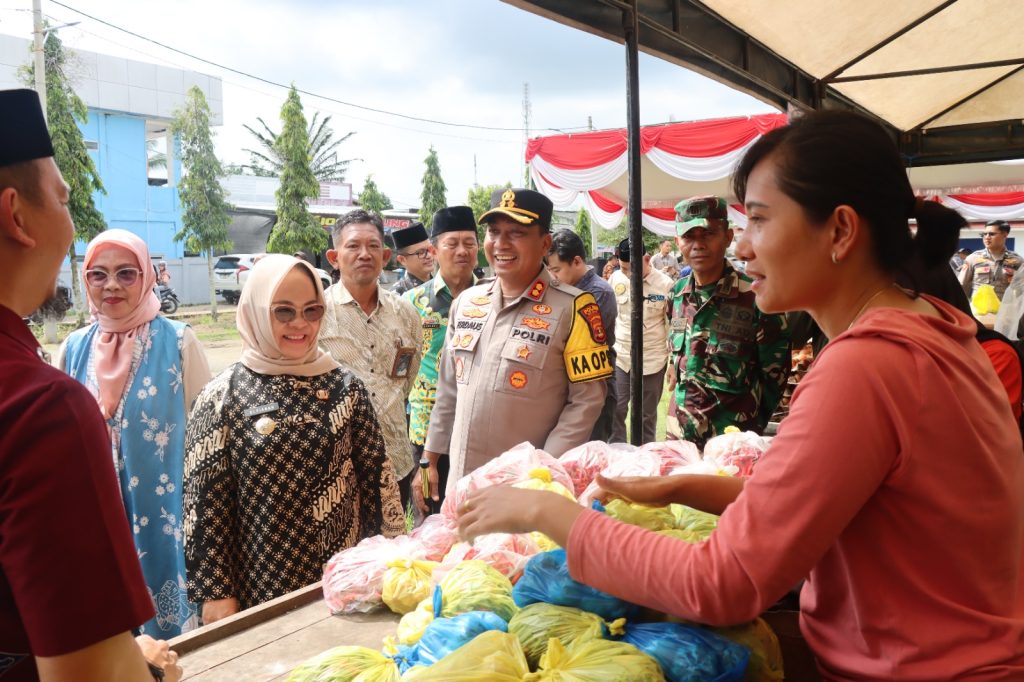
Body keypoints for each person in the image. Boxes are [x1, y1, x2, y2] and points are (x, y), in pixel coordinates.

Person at [457, 110, 1024, 680]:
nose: (743, 248)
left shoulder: (868, 364)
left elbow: (722, 584)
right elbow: (837, 498)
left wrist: (547, 512)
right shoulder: (938, 327)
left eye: (757, 220)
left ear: (840, 231)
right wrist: (682, 487)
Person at [0, 89, 180, 682]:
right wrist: (142, 665)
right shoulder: (39, 405)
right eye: (62, 199)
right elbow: (91, 673)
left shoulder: (178, 342)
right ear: (16, 216)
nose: (70, 224)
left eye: (126, 272)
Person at [184, 255, 404, 624]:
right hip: (260, 589)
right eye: (283, 311)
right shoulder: (222, 396)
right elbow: (205, 507)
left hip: (345, 586)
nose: (300, 323)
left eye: (312, 310)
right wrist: (216, 595)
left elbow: (378, 484)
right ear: (256, 312)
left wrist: (390, 561)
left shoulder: (346, 387)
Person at [416, 188, 612, 510]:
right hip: (461, 486)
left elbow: (586, 401)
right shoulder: (466, 303)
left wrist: (544, 472)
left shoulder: (575, 307)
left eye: (517, 233)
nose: (501, 244)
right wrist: (430, 458)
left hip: (523, 493)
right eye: (494, 232)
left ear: (545, 244)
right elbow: (448, 391)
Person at [59, 229, 211, 638]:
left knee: (173, 646)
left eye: (126, 273)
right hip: (95, 518)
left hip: (165, 520)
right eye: (98, 274)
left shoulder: (179, 341)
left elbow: (208, 440)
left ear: (147, 277)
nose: (111, 285)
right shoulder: (73, 348)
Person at [319, 210, 422, 508]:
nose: (364, 254)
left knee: (393, 538)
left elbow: (406, 379)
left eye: (373, 246)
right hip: (335, 465)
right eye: (353, 246)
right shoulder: (316, 313)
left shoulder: (406, 313)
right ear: (334, 257)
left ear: (386, 256)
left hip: (396, 459)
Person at [667, 196, 790, 447]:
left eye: (708, 233)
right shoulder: (676, 295)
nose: (698, 245)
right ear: (678, 241)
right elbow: (678, 357)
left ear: (728, 236)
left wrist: (750, 430)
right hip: (679, 439)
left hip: (731, 443)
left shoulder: (756, 297)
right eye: (689, 237)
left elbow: (775, 377)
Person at [404, 206, 480, 512]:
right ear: (434, 251)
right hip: (426, 429)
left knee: (475, 515)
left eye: (469, 243)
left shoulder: (492, 298)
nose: (462, 251)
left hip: (477, 427)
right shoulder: (411, 303)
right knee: (429, 513)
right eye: (452, 244)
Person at [545, 229, 617, 441]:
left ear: (576, 261)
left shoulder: (598, 293)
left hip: (593, 390)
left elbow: (571, 339)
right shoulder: (563, 290)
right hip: (563, 389)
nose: (552, 277)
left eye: (556, 270)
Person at [607, 238, 673, 444]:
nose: (628, 274)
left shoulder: (665, 285)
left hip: (652, 360)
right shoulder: (616, 278)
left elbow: (673, 327)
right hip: (622, 357)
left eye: (631, 269)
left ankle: (645, 455)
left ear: (646, 259)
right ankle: (617, 452)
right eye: (624, 268)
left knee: (646, 415)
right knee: (616, 409)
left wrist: (672, 362)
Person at [959, 219, 1022, 301]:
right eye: (984, 234)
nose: (987, 237)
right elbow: (962, 286)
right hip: (979, 308)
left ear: (1005, 235)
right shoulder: (973, 258)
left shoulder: (1017, 261)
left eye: (992, 234)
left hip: (1006, 307)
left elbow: (1021, 290)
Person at [391, 222, 435, 295]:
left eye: (430, 249)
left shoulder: (443, 286)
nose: (429, 255)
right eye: (421, 252)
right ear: (402, 260)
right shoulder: (396, 295)